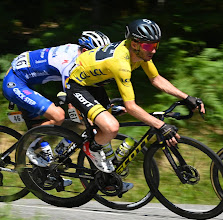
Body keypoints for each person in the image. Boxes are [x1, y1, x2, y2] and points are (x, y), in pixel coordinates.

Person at [66, 19, 205, 193]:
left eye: (155, 45)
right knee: (111, 128)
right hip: (78, 85)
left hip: (95, 85)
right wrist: (160, 125)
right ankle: (91, 148)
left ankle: (105, 173)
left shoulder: (140, 54)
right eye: (148, 46)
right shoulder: (121, 63)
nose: (153, 50)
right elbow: (131, 106)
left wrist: (186, 97)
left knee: (104, 128)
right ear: (135, 43)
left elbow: (156, 79)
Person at [2, 31, 110, 186]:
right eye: (97, 55)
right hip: (14, 82)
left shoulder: (79, 53)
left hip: (25, 79)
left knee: (43, 134)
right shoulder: (70, 62)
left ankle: (46, 174)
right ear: (86, 51)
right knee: (58, 116)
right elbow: (75, 97)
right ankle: (27, 145)